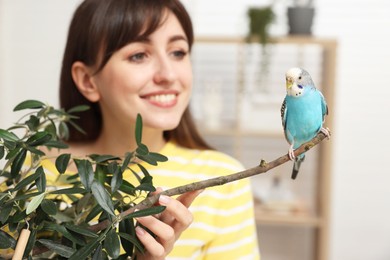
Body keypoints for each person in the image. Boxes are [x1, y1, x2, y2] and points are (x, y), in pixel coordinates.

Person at [46, 0, 261, 258]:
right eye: (139, 55)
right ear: (87, 80)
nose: (168, 74)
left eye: (178, 52)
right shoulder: (30, 178)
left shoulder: (225, 181)